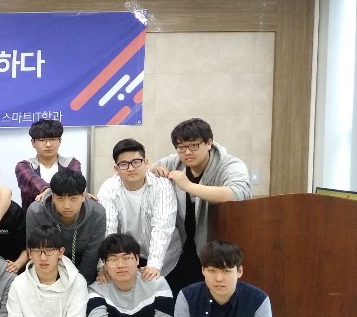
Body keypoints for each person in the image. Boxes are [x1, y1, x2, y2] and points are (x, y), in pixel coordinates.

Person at [151, 118, 252, 296]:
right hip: (181, 248)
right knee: (177, 296)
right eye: (181, 147)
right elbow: (145, 168)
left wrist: (189, 186)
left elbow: (238, 193)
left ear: (209, 143)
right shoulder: (174, 162)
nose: (187, 152)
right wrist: (154, 170)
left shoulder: (229, 164)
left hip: (216, 248)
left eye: (194, 145)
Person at [97, 139, 181, 281]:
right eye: (124, 164)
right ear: (116, 169)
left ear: (146, 163)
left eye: (136, 162)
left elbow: (162, 226)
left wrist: (154, 264)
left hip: (164, 256)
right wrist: (104, 264)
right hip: (124, 256)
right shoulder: (108, 189)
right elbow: (108, 229)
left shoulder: (162, 185)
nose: (131, 168)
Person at [25, 168, 106, 284]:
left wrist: (80, 286)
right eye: (60, 198)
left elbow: (91, 256)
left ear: (83, 196)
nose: (67, 206)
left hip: (83, 273)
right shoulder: (36, 212)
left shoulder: (97, 213)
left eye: (73, 198)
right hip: (47, 273)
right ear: (53, 197)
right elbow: (35, 253)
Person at [16, 119, 82, 212]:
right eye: (42, 140)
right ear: (33, 143)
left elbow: (74, 187)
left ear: (60, 141)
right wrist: (46, 190)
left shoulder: (71, 163)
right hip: (35, 218)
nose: (48, 145)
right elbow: (34, 183)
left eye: (52, 139)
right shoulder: (24, 166)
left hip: (66, 217)